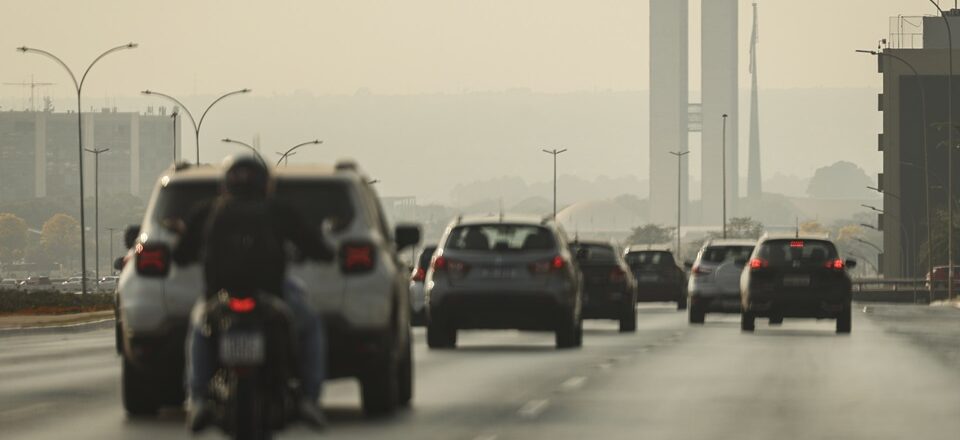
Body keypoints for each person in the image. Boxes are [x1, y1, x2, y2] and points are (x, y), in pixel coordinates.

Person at [173, 154, 334, 431]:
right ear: (265, 184)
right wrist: (324, 253)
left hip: (219, 297)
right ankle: (309, 397)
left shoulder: (209, 210)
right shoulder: (278, 209)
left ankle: (197, 398)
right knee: (310, 324)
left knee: (199, 326)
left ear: (226, 183)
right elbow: (316, 247)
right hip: (272, 295)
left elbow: (180, 255)